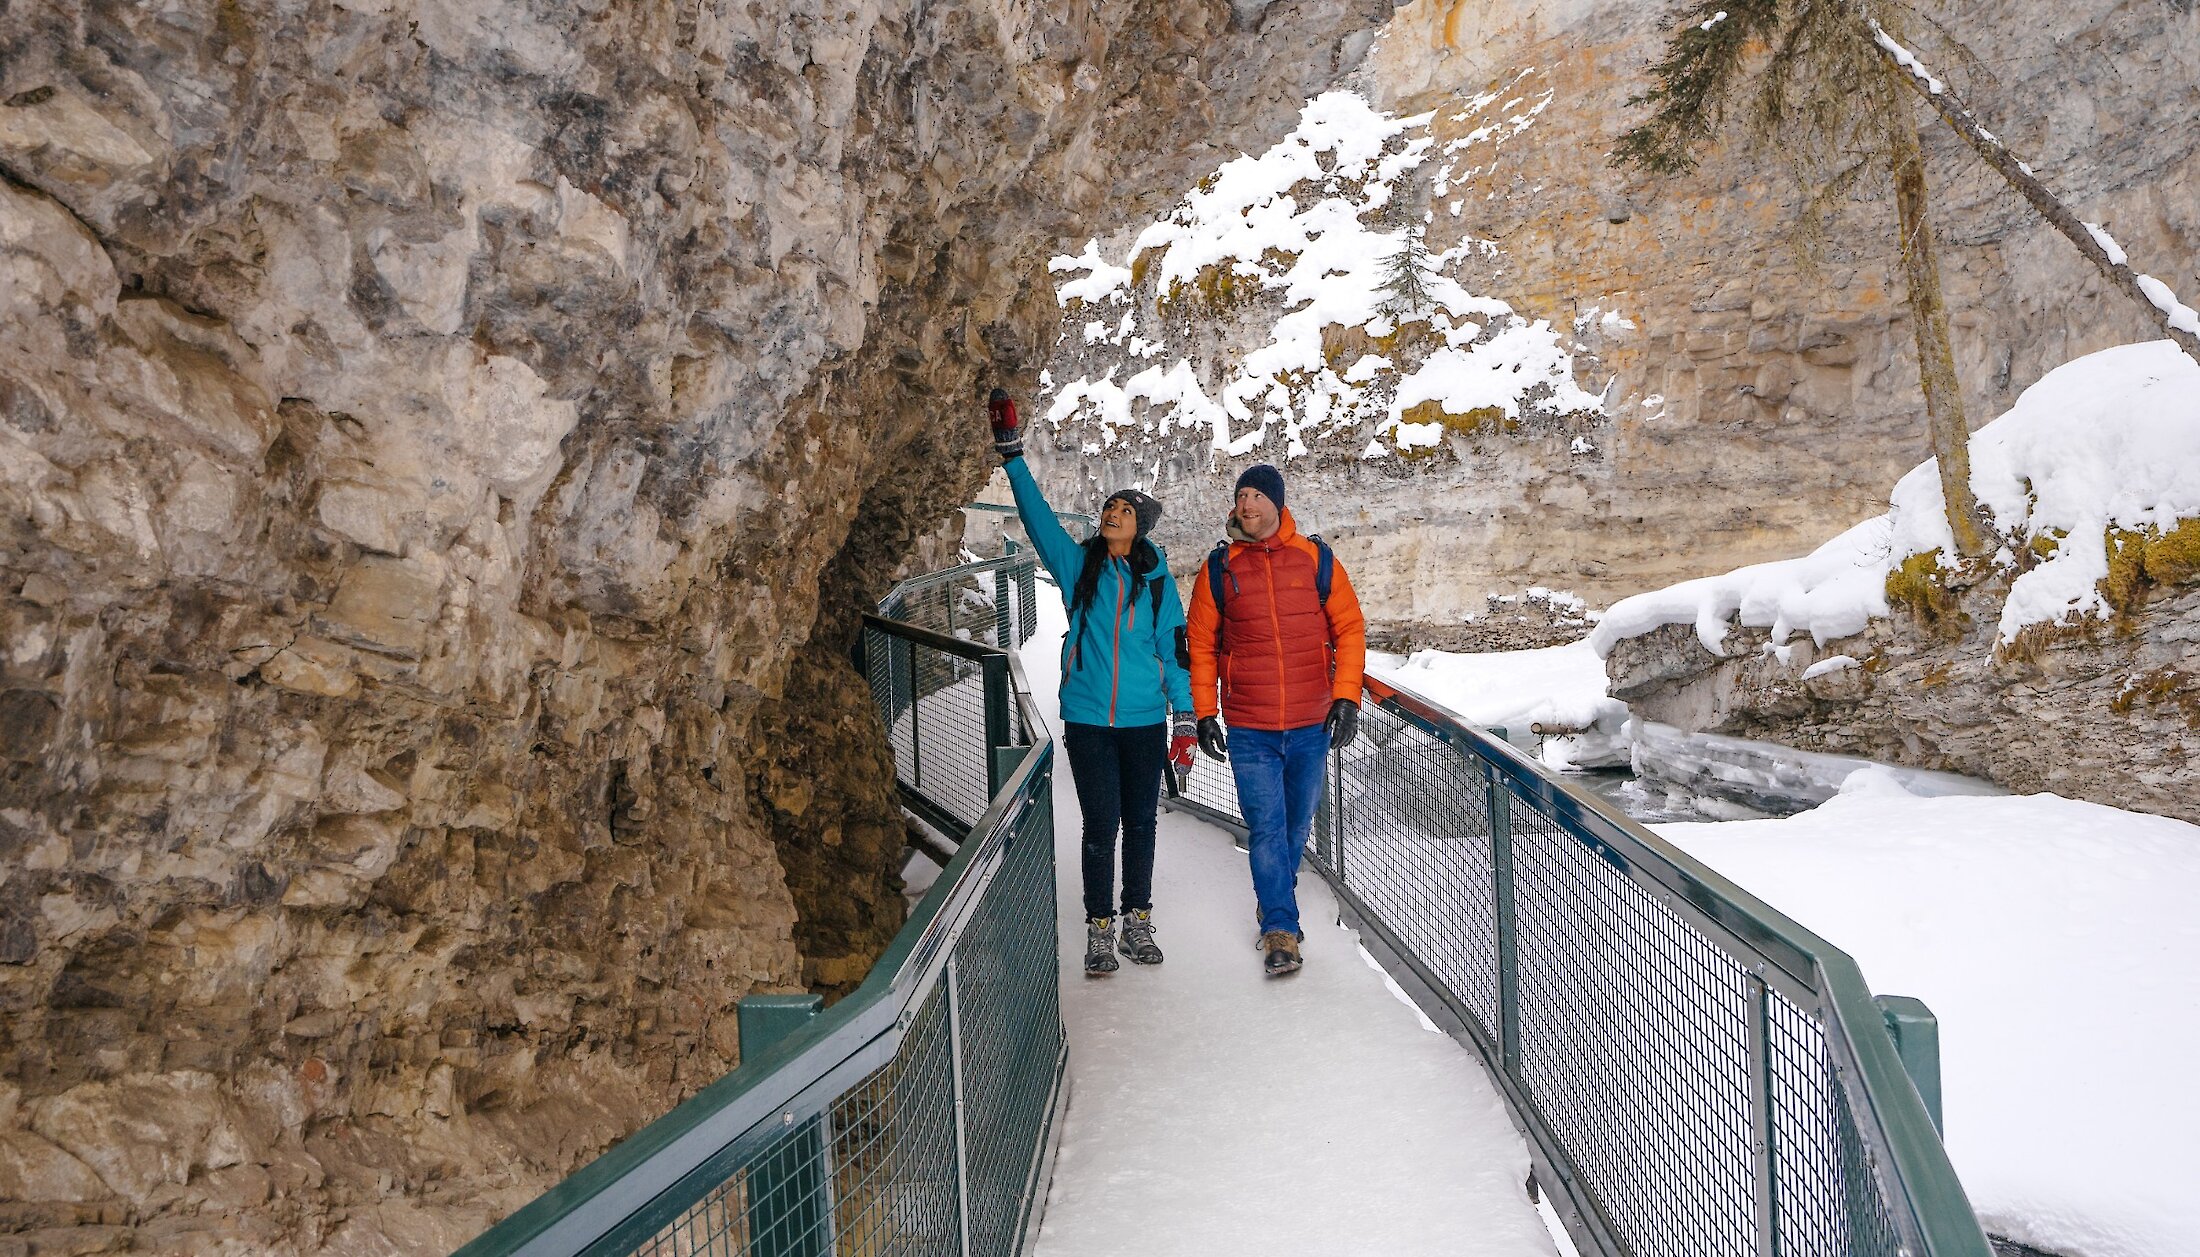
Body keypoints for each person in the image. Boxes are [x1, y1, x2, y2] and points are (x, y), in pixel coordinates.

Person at [987, 388, 1198, 976]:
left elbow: (1174, 653)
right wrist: (1012, 455)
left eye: (1123, 510)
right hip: (1086, 720)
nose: (1110, 514)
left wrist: (1184, 720)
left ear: (1141, 527)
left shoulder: (1157, 584)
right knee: (1101, 824)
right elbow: (1038, 522)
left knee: (1142, 825)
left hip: (1143, 722)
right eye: (1109, 507)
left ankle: (1138, 921)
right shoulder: (1078, 567)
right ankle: (1100, 930)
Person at [1185, 463, 1366, 976]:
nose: (1247, 505)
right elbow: (1200, 645)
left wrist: (1346, 697)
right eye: (1241, 496)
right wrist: (1204, 713)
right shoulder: (1219, 570)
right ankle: (1280, 930)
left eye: (1257, 496)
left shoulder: (1316, 560)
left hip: (1311, 722)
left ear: (1277, 504)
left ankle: (1273, 899)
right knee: (1266, 827)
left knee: (1295, 826)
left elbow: (1350, 629)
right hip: (1249, 725)